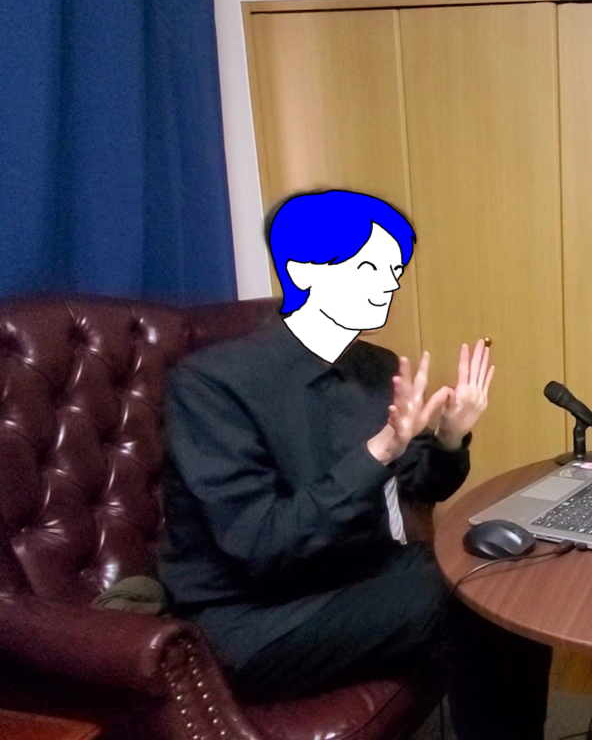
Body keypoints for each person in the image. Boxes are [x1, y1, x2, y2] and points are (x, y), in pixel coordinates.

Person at [156, 190, 552, 739]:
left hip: (351, 574)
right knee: (460, 602)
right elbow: (263, 545)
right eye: (369, 267)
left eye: (394, 270)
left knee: (502, 573)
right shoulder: (211, 384)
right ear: (304, 270)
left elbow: (421, 484)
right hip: (254, 618)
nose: (388, 283)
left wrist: (449, 435)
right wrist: (382, 448)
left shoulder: (374, 366)